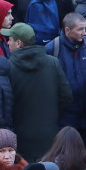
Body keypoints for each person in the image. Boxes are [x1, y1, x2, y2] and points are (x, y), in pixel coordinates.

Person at [6, 24, 74, 161]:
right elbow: (66, 96)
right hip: (49, 134)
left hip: (20, 136)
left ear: (18, 43)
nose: (8, 43)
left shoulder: (9, 67)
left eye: (10, 39)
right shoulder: (53, 63)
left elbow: (7, 102)